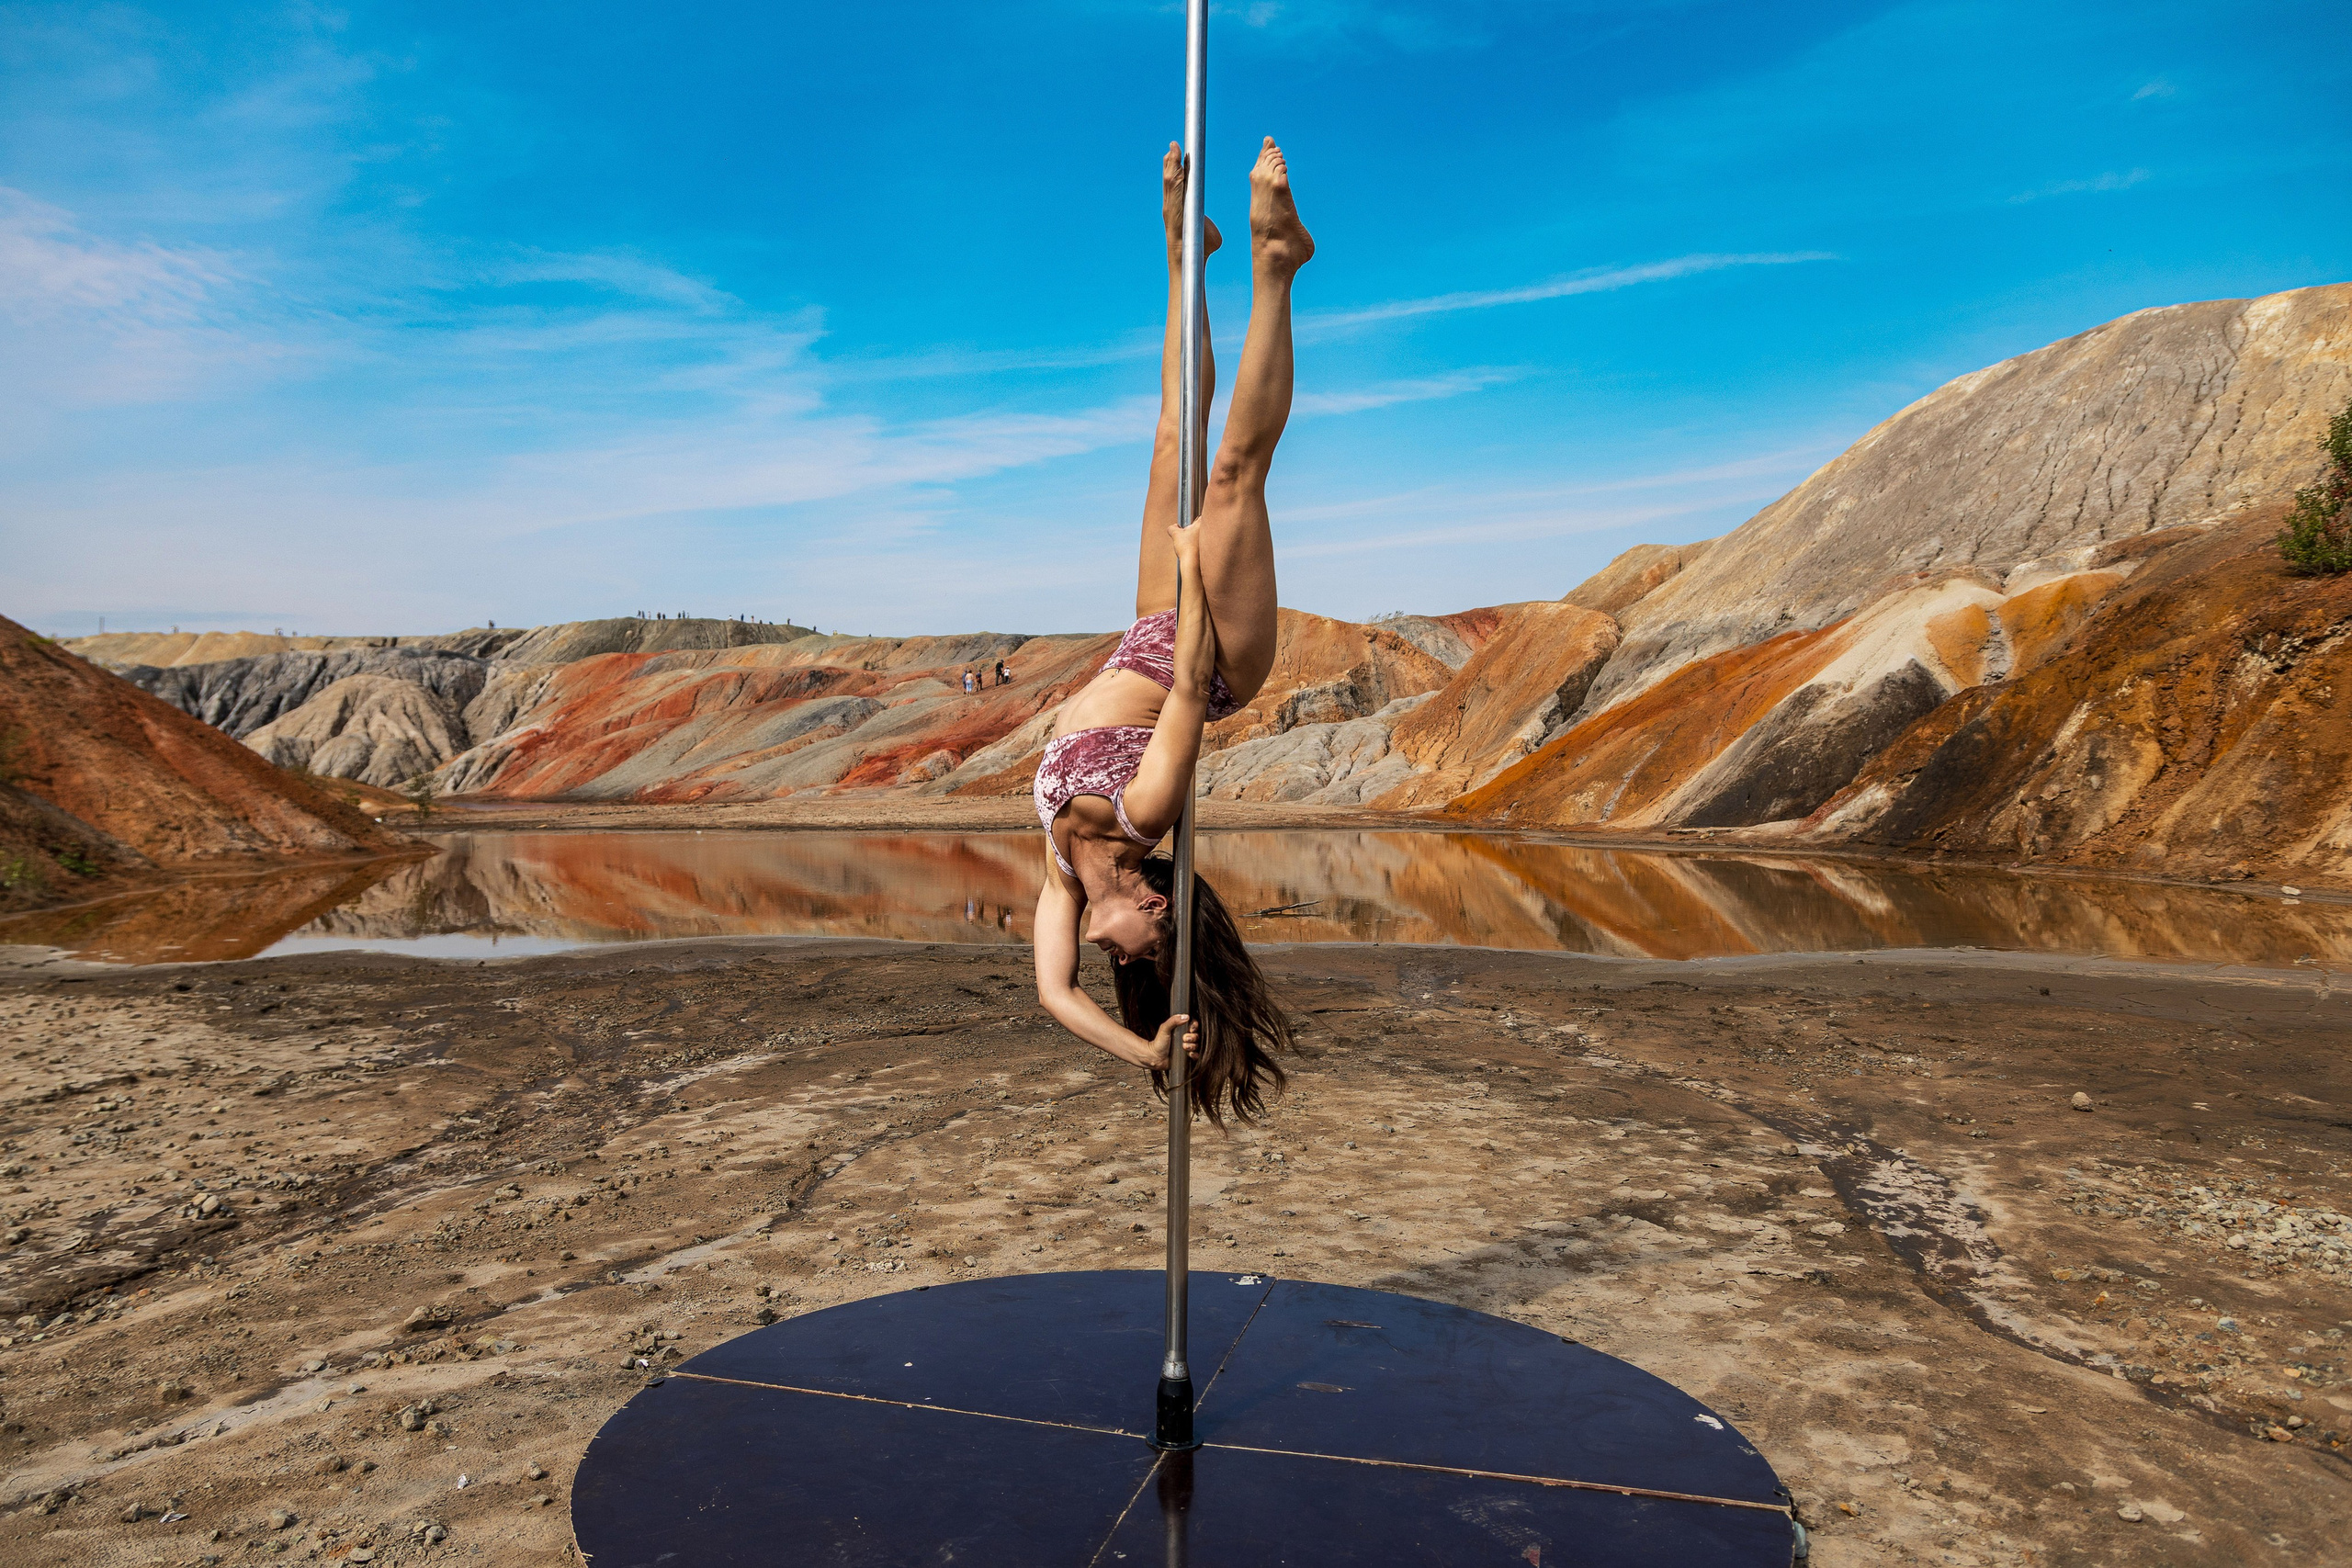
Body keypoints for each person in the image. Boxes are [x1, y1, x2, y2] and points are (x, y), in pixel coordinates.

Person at [1033, 137, 1311, 1125]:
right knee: (1232, 468)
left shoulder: (1064, 874)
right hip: (1214, 650)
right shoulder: (1143, 814)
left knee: (1167, 431)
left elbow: (1051, 996)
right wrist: (1196, 569)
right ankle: (1278, 264)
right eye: (1140, 957)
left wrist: (1145, 1047)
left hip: (1143, 629)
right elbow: (1191, 689)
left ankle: (1183, 251)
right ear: (1154, 908)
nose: (1112, 956)